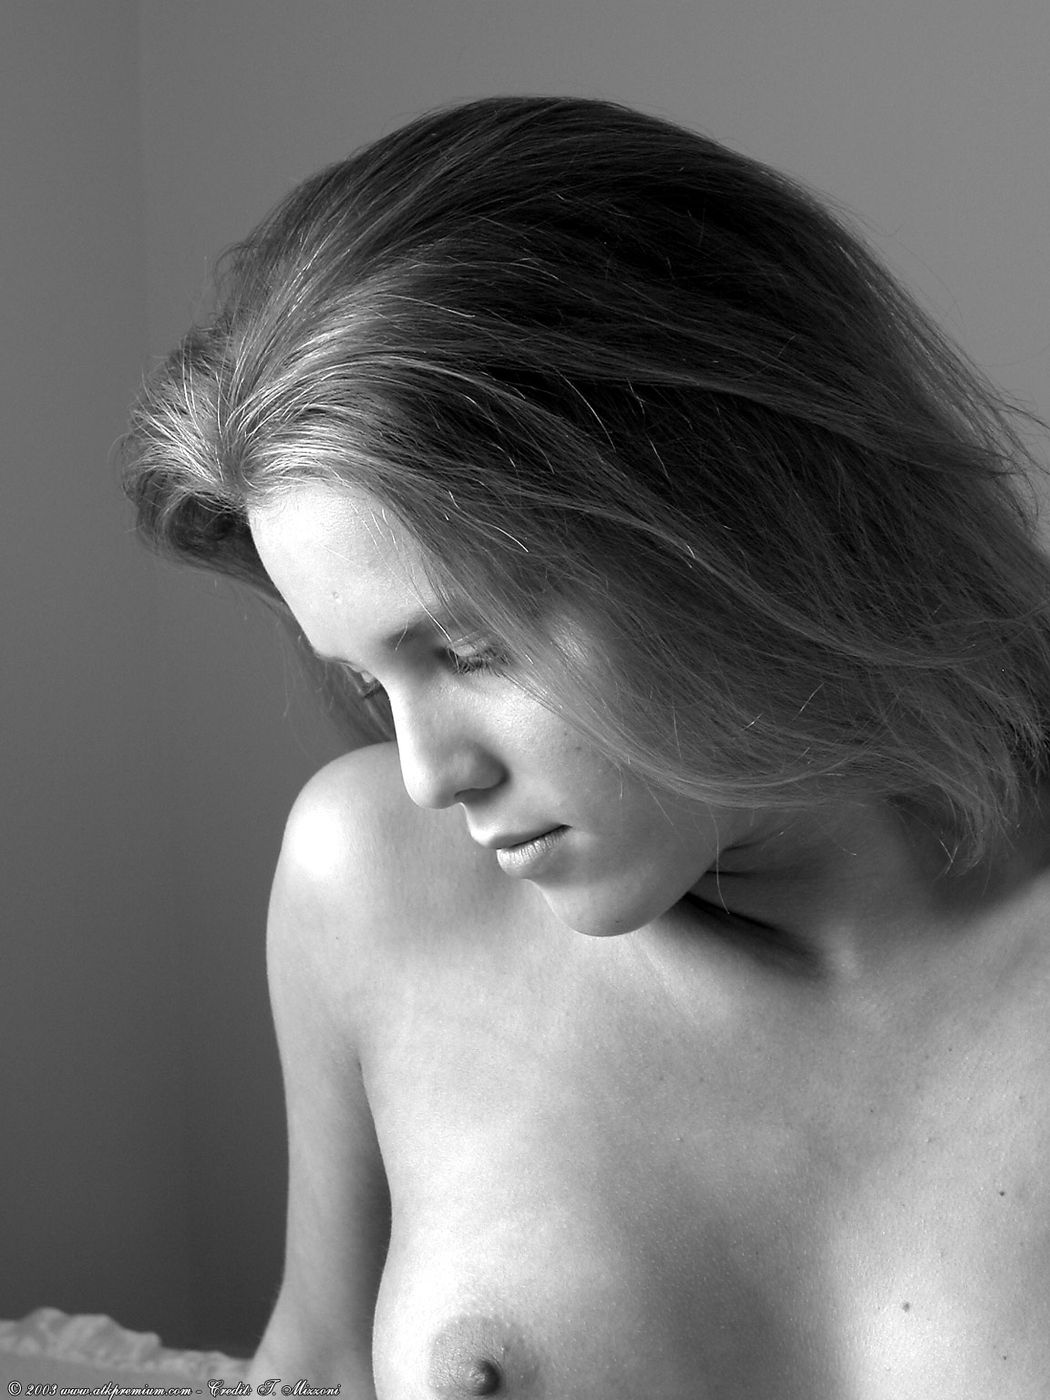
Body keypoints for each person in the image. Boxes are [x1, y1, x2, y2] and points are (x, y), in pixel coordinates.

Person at [123, 95, 1050, 1398]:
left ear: (742, 509)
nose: (430, 774)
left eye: (469, 648)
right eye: (368, 681)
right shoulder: (375, 884)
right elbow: (318, 1369)